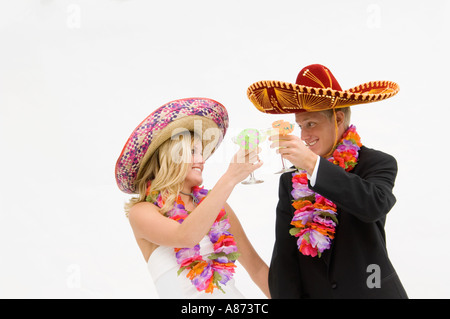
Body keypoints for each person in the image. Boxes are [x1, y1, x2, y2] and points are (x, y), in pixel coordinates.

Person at [246, 64, 408, 298]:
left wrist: (313, 164)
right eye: (300, 126)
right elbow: (285, 258)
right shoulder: (291, 180)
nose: (303, 136)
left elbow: (373, 205)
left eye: (310, 124)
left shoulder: (377, 162)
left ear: (338, 118)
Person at [115, 97, 270, 299]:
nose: (201, 160)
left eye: (201, 152)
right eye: (193, 152)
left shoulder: (218, 207)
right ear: (170, 157)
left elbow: (258, 270)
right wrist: (230, 177)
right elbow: (185, 237)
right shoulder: (143, 212)